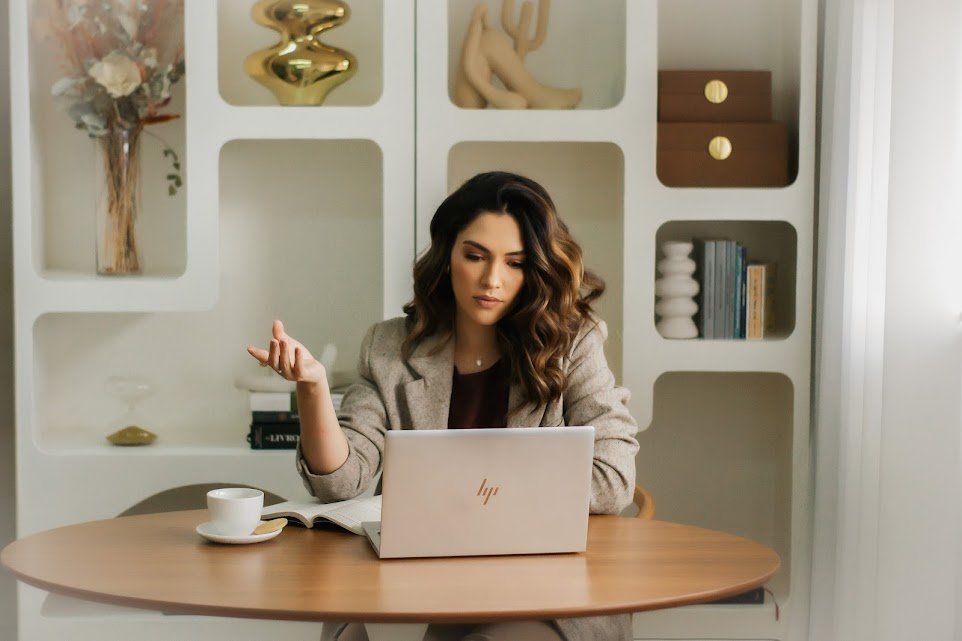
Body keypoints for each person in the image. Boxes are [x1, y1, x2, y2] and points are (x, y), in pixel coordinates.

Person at [247, 171, 640, 641]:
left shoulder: (571, 341)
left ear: (534, 270)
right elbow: (342, 482)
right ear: (447, 255)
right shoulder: (390, 346)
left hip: (540, 587)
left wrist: (478, 494)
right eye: (475, 256)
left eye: (514, 263)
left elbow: (614, 480)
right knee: (349, 629)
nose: (491, 279)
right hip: (415, 580)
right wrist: (313, 387)